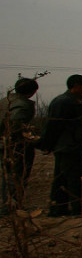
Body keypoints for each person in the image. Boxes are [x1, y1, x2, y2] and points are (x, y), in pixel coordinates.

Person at [40, 75, 82, 217]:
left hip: (69, 145)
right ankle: (78, 210)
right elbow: (53, 125)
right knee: (74, 178)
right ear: (75, 85)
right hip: (68, 146)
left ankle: (58, 208)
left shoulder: (70, 101)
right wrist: (47, 144)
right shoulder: (64, 102)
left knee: (62, 178)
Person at [1, 78, 39, 214]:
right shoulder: (22, 105)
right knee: (16, 176)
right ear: (32, 92)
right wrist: (30, 136)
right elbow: (15, 124)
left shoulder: (6, 101)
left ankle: (9, 205)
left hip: (4, 144)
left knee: (8, 175)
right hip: (16, 146)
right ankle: (11, 207)